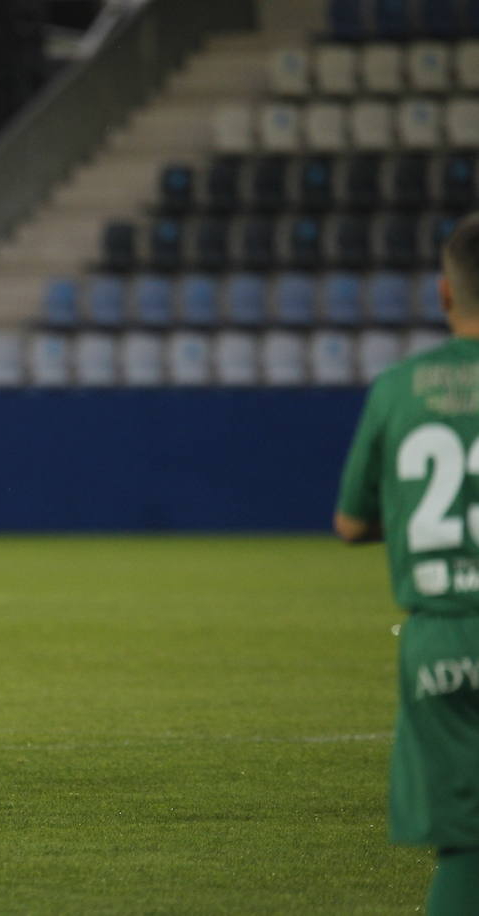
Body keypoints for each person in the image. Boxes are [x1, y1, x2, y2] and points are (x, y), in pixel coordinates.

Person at [336, 212, 479, 913]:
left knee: (464, 848)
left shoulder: (399, 387)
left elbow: (351, 522)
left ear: (445, 295)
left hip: (440, 639)